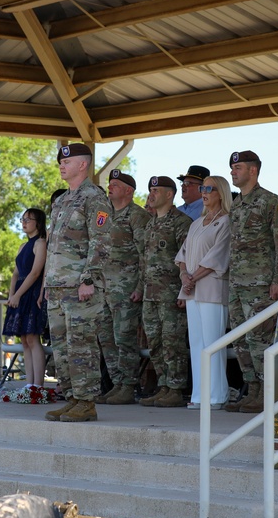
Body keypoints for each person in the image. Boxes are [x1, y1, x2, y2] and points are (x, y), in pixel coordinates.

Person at [43, 143, 112, 423]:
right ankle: (72, 398)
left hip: (80, 286)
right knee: (61, 347)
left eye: (67, 162)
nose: (61, 165)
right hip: (57, 285)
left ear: (83, 165)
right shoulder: (61, 200)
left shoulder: (94, 197)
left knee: (81, 345)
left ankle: (86, 402)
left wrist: (89, 279)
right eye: (60, 161)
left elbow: (101, 241)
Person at [224, 150, 278, 414]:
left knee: (260, 339)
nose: (233, 172)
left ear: (253, 170)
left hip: (261, 284)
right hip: (237, 283)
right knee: (240, 340)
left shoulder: (270, 202)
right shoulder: (237, 205)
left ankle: (268, 392)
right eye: (232, 168)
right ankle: (252, 389)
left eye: (238, 167)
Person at [176, 175, 231, 410]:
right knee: (197, 342)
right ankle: (199, 395)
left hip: (212, 289)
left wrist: (192, 278)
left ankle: (217, 395)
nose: (205, 191)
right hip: (192, 290)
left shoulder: (226, 222)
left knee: (213, 342)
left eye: (210, 188)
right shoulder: (196, 223)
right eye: (203, 188)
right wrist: (184, 277)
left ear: (221, 193)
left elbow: (217, 258)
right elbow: (182, 256)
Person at [96, 170, 150, 405]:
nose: (110, 187)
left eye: (116, 184)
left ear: (129, 190)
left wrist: (140, 286)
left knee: (124, 338)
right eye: (110, 184)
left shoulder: (137, 216)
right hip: (104, 288)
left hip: (126, 289)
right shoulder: (104, 215)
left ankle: (128, 385)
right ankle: (117, 383)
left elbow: (145, 254)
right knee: (107, 338)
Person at [138, 175, 192, 408]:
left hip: (171, 294)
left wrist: (183, 291)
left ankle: (176, 388)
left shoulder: (181, 223)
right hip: (150, 294)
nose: (151, 194)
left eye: (156, 190)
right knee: (156, 343)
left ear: (169, 194)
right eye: (150, 189)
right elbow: (145, 260)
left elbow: (187, 259)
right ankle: (164, 386)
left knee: (173, 342)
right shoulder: (150, 223)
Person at [3, 209, 48, 389]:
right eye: (22, 219)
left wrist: (18, 294)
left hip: (32, 292)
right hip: (19, 294)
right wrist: (11, 295)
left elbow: (36, 272)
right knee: (23, 339)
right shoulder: (23, 246)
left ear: (38, 223)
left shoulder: (41, 243)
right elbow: (16, 274)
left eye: (28, 219)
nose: (24, 222)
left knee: (32, 338)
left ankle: (38, 385)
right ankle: (29, 384)